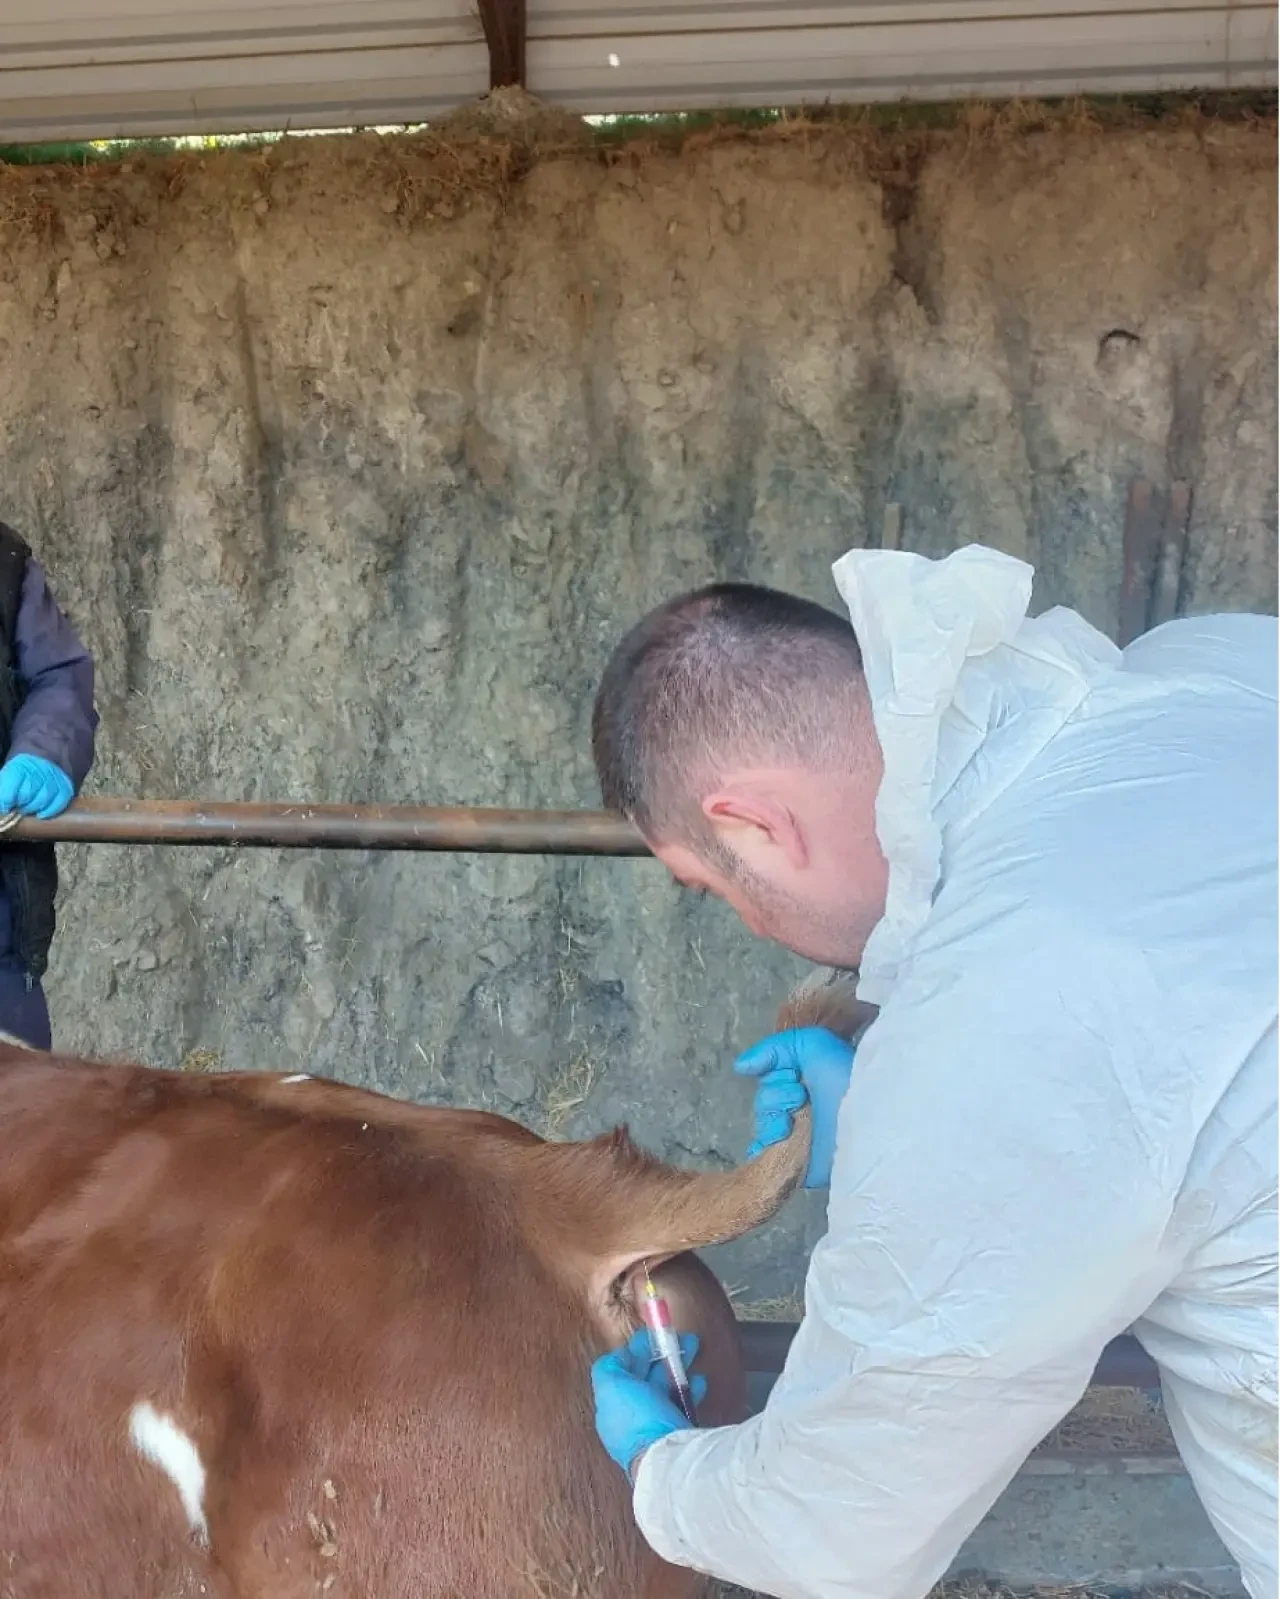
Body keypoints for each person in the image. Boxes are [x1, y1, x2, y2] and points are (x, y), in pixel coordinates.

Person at [587, 542, 1277, 1599]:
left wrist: (661, 1472)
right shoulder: (1220, 668)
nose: (751, 923)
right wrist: (900, 1105)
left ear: (751, 825)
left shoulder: (1009, 1008)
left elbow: (841, 1523)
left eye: (708, 887)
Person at [0, 521, 97, 1049]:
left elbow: (57, 676)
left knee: (18, 1116)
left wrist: (42, 754)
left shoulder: (3, 562)